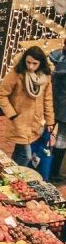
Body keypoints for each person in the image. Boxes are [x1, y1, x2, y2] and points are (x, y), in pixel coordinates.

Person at [0, 47, 55, 168]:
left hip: (35, 121)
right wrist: (12, 114)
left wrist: (50, 121)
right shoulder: (16, 73)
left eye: (35, 63)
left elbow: (47, 99)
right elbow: (1, 95)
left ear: (41, 63)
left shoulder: (46, 77)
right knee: (26, 155)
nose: (31, 67)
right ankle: (16, 174)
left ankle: (10, 171)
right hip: (19, 120)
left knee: (20, 150)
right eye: (28, 62)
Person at [49, 40, 66, 181]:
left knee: (46, 134)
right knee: (62, 139)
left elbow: (52, 54)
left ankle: (40, 163)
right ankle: (54, 172)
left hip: (53, 103)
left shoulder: (58, 58)